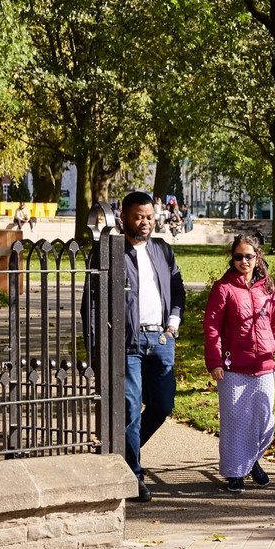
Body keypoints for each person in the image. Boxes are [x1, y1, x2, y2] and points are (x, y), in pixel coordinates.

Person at [111, 190, 185, 502]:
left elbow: (178, 289)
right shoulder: (111, 252)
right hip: (128, 341)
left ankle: (121, 454)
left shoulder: (163, 250)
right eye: (139, 217)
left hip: (161, 338)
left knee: (163, 405)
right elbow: (92, 304)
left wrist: (173, 323)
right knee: (130, 407)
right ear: (124, 218)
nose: (145, 223)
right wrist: (99, 348)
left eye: (150, 217)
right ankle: (134, 474)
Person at [204, 235, 275, 491]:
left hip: (263, 365)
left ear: (257, 257)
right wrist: (215, 361)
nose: (244, 261)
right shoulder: (223, 288)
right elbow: (212, 327)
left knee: (264, 420)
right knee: (235, 422)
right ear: (233, 259)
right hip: (233, 367)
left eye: (248, 256)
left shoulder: (266, 286)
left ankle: (251, 461)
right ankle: (235, 473)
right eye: (238, 257)